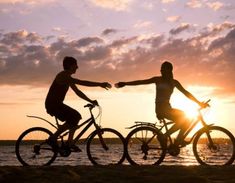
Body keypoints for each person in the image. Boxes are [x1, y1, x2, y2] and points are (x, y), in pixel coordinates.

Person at [115, 61, 208, 146]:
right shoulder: (158, 79)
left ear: (169, 70)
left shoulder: (174, 82)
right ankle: (168, 137)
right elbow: (141, 82)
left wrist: (199, 103)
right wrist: (125, 83)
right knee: (185, 119)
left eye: (163, 68)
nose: (161, 70)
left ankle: (176, 139)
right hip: (161, 109)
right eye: (161, 68)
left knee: (185, 119)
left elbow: (186, 93)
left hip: (167, 108)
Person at [45, 56, 111, 151]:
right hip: (53, 105)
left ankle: (68, 143)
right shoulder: (63, 76)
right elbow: (82, 82)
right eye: (75, 65)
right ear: (69, 65)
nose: (77, 67)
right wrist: (100, 84)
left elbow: (78, 92)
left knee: (75, 118)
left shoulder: (68, 78)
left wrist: (90, 101)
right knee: (75, 116)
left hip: (56, 104)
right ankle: (55, 139)